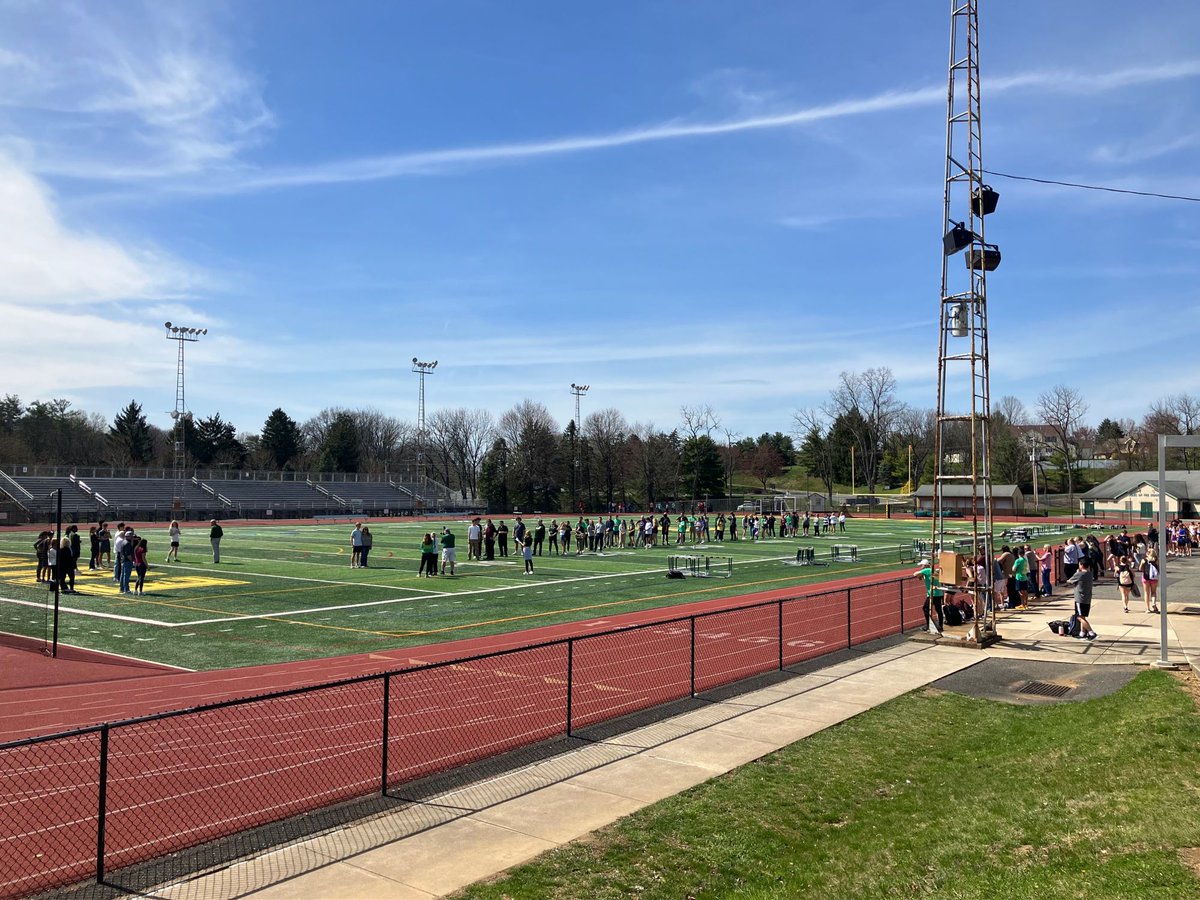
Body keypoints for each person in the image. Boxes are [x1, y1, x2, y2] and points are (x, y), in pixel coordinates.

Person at [1067, 558, 1097, 640]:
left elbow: (1069, 581)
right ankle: (1082, 633)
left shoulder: (1080, 574)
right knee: (1083, 616)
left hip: (1080, 598)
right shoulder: (1090, 574)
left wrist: (1077, 573)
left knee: (1079, 617)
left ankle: (1091, 632)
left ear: (1081, 565)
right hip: (1087, 598)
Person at [913, 558, 943, 635]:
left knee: (925, 608)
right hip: (939, 593)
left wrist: (920, 574)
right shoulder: (933, 570)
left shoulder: (926, 570)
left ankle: (928, 625)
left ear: (925, 565)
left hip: (932, 593)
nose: (921, 567)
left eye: (922, 565)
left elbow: (915, 574)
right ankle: (940, 625)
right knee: (938, 609)